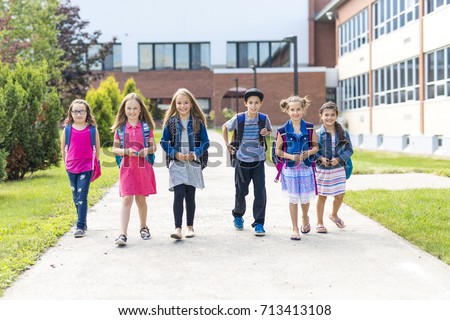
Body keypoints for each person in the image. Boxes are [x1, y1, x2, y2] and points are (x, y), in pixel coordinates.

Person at [160, 88, 210, 240]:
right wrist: (174, 153)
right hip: (177, 164)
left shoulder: (197, 122)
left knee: (190, 196)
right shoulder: (171, 122)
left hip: (193, 163)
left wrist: (195, 153)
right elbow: (163, 141)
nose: (182, 106)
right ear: (175, 104)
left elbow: (206, 142)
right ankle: (177, 228)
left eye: (186, 103)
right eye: (179, 103)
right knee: (178, 194)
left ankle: (190, 227)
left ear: (191, 103)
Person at [222, 88, 272, 236]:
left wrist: (266, 132)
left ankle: (259, 223)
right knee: (241, 191)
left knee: (260, 192)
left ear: (261, 104)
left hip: (258, 160)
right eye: (250, 102)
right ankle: (238, 215)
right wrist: (226, 144)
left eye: (256, 103)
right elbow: (225, 127)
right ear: (245, 103)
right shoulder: (239, 118)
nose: (253, 105)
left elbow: (268, 130)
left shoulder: (264, 118)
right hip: (242, 159)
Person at [111, 93, 157, 246]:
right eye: (129, 108)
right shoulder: (120, 129)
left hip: (142, 169)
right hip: (127, 169)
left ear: (140, 109)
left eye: (135, 108)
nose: (131, 111)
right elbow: (114, 149)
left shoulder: (145, 127)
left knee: (141, 200)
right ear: (124, 109)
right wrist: (125, 151)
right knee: (126, 199)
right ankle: (122, 234)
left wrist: (146, 151)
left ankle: (144, 227)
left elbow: (153, 146)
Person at [275, 96, 318, 240]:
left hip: (305, 169)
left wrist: (309, 152)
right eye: (292, 110)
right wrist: (292, 157)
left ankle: (305, 217)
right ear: (287, 111)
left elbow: (316, 147)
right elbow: (278, 151)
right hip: (290, 170)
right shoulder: (282, 130)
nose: (295, 113)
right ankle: (294, 228)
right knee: (293, 199)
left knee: (305, 199)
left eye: (298, 109)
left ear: (303, 109)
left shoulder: (310, 127)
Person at [61, 99, 100, 238]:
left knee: (82, 196)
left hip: (86, 166)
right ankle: (82, 220)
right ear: (71, 113)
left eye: (82, 111)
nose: (79, 114)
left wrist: (95, 163)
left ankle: (80, 226)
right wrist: (66, 164)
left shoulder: (92, 129)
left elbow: (97, 148)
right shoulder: (67, 129)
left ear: (87, 113)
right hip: (71, 167)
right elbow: (63, 149)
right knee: (75, 196)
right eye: (76, 111)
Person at [315, 102, 353, 233]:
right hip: (322, 170)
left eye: (332, 115)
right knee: (322, 195)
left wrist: (339, 158)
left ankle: (334, 214)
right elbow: (313, 150)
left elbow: (349, 150)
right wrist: (320, 158)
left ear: (336, 116)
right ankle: (319, 222)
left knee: (340, 195)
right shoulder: (317, 133)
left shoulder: (343, 133)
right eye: (326, 115)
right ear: (321, 116)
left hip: (338, 169)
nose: (329, 117)